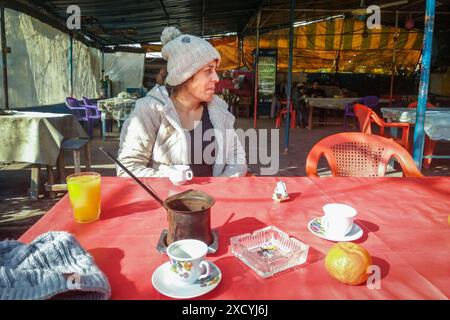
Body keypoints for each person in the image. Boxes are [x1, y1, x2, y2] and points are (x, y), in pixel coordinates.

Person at [117, 27, 247, 178]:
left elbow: (237, 158)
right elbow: (128, 167)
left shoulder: (219, 110)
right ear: (184, 75)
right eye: (208, 70)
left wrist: (220, 189)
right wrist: (169, 179)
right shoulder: (150, 110)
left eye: (215, 70)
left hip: (211, 200)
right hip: (166, 199)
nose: (216, 78)